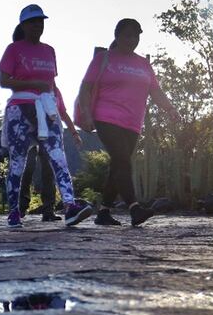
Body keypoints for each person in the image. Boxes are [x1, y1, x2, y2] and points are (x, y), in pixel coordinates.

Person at [77, 18, 182, 226]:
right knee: (122, 159)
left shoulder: (143, 64)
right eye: (127, 35)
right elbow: (86, 88)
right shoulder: (103, 59)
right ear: (117, 36)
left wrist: (170, 108)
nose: (132, 39)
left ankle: (104, 212)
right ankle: (135, 208)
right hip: (106, 117)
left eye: (136, 35)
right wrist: (87, 114)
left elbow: (156, 91)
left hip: (133, 123)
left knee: (118, 164)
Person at [0, 4, 92, 228]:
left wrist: (61, 112)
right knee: (18, 163)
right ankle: (14, 211)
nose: (38, 25)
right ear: (23, 25)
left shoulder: (49, 50)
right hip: (20, 109)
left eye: (41, 21)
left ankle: (69, 206)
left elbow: (51, 83)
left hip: (46, 108)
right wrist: (32, 83)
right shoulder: (14, 49)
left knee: (58, 156)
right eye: (33, 22)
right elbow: (3, 81)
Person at [19, 87, 78, 221]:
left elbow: (62, 112)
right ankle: (21, 207)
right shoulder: (30, 86)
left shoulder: (56, 91)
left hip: (50, 134)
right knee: (27, 168)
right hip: (30, 131)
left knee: (49, 169)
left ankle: (48, 210)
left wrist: (74, 133)